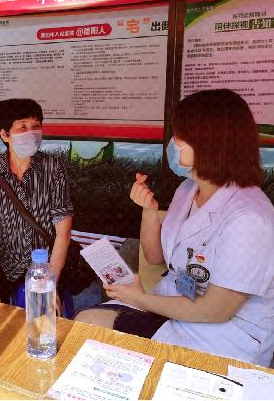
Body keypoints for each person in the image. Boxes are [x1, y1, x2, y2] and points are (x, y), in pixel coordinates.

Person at [75, 89, 274, 367]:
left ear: (209, 142)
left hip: (220, 337)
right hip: (174, 308)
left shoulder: (250, 218)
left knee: (92, 337)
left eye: (180, 135)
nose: (173, 143)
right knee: (84, 325)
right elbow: (155, 256)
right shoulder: (189, 189)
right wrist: (149, 211)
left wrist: (141, 299)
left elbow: (216, 310)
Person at [0, 98, 74, 310]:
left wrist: (49, 284)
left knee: (43, 320)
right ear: (4, 135)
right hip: (3, 264)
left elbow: (63, 233)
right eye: (23, 127)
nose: (31, 133)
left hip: (45, 266)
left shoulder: (53, 168)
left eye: (36, 126)